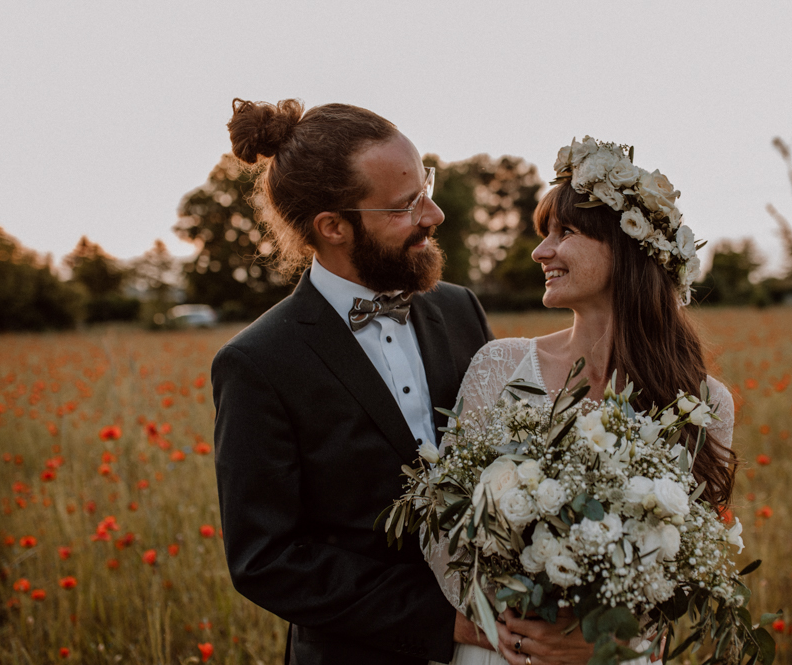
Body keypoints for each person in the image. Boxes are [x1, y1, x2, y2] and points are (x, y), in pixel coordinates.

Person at [430, 137, 737, 665]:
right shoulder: (498, 367)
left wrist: (611, 635)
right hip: (503, 648)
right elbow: (443, 528)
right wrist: (515, 623)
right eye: (544, 234)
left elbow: (690, 557)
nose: (540, 252)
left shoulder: (704, 402)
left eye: (565, 232)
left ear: (628, 246)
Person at [213, 98, 500, 665]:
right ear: (333, 227)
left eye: (426, 186)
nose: (434, 214)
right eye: (406, 204)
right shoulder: (257, 362)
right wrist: (444, 622)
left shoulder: (461, 310)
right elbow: (266, 558)